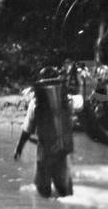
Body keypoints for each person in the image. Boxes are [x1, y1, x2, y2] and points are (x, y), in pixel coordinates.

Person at [14, 67, 81, 198]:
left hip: (44, 152)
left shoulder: (35, 103)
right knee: (65, 192)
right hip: (62, 150)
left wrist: (19, 148)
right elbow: (81, 104)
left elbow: (27, 130)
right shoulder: (67, 100)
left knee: (43, 191)